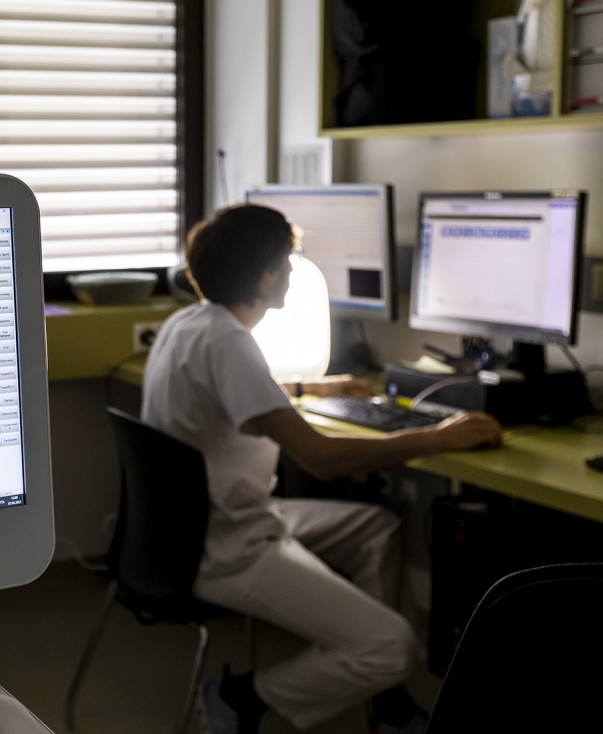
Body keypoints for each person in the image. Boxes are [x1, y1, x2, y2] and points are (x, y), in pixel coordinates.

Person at [140, 203, 502, 734]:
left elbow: (241, 398)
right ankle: (240, 697)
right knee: (393, 644)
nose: (293, 271)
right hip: (227, 546)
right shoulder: (229, 341)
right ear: (266, 276)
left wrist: (311, 388)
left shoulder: (192, 323)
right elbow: (323, 459)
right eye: (287, 261)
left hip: (191, 527)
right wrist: (436, 437)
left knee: (376, 528)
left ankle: (387, 703)